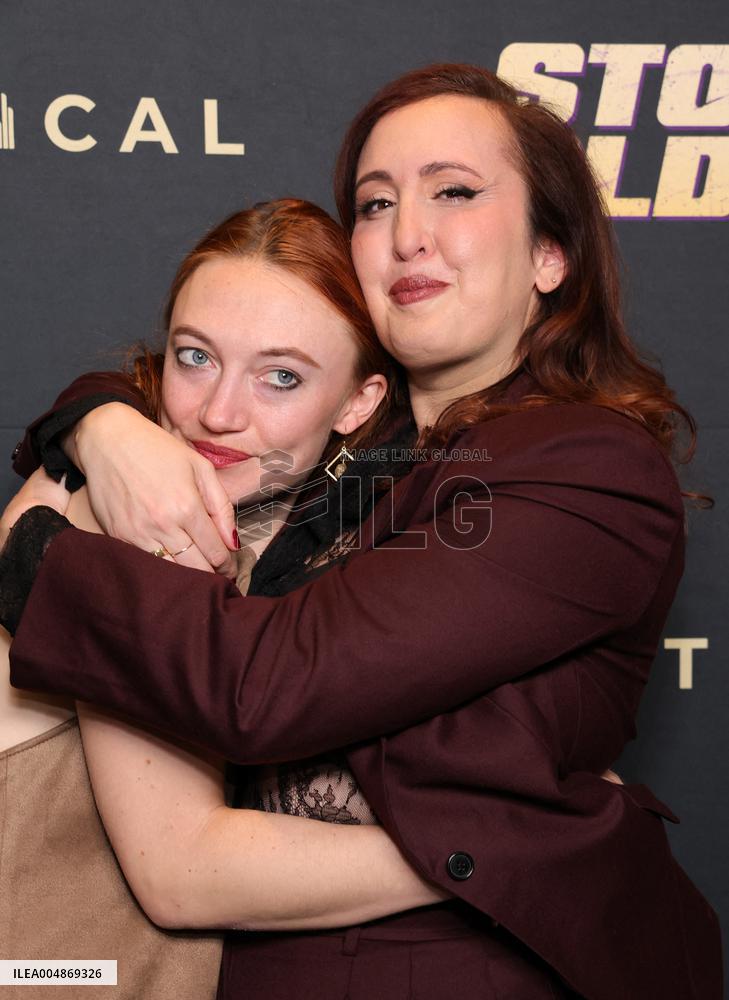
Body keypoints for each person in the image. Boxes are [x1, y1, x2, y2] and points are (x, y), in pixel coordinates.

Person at [3, 64, 722, 999]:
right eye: (374, 204)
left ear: (551, 254)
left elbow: (273, 683)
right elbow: (217, 387)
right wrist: (103, 429)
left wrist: (36, 558)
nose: (406, 232)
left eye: (453, 192)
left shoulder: (584, 466)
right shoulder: (361, 464)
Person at [0, 198, 449, 1000]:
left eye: (280, 376)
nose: (218, 413)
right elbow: (183, 873)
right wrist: (513, 849)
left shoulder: (309, 528)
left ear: (357, 403)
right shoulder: (138, 512)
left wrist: (96, 419)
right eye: (195, 356)